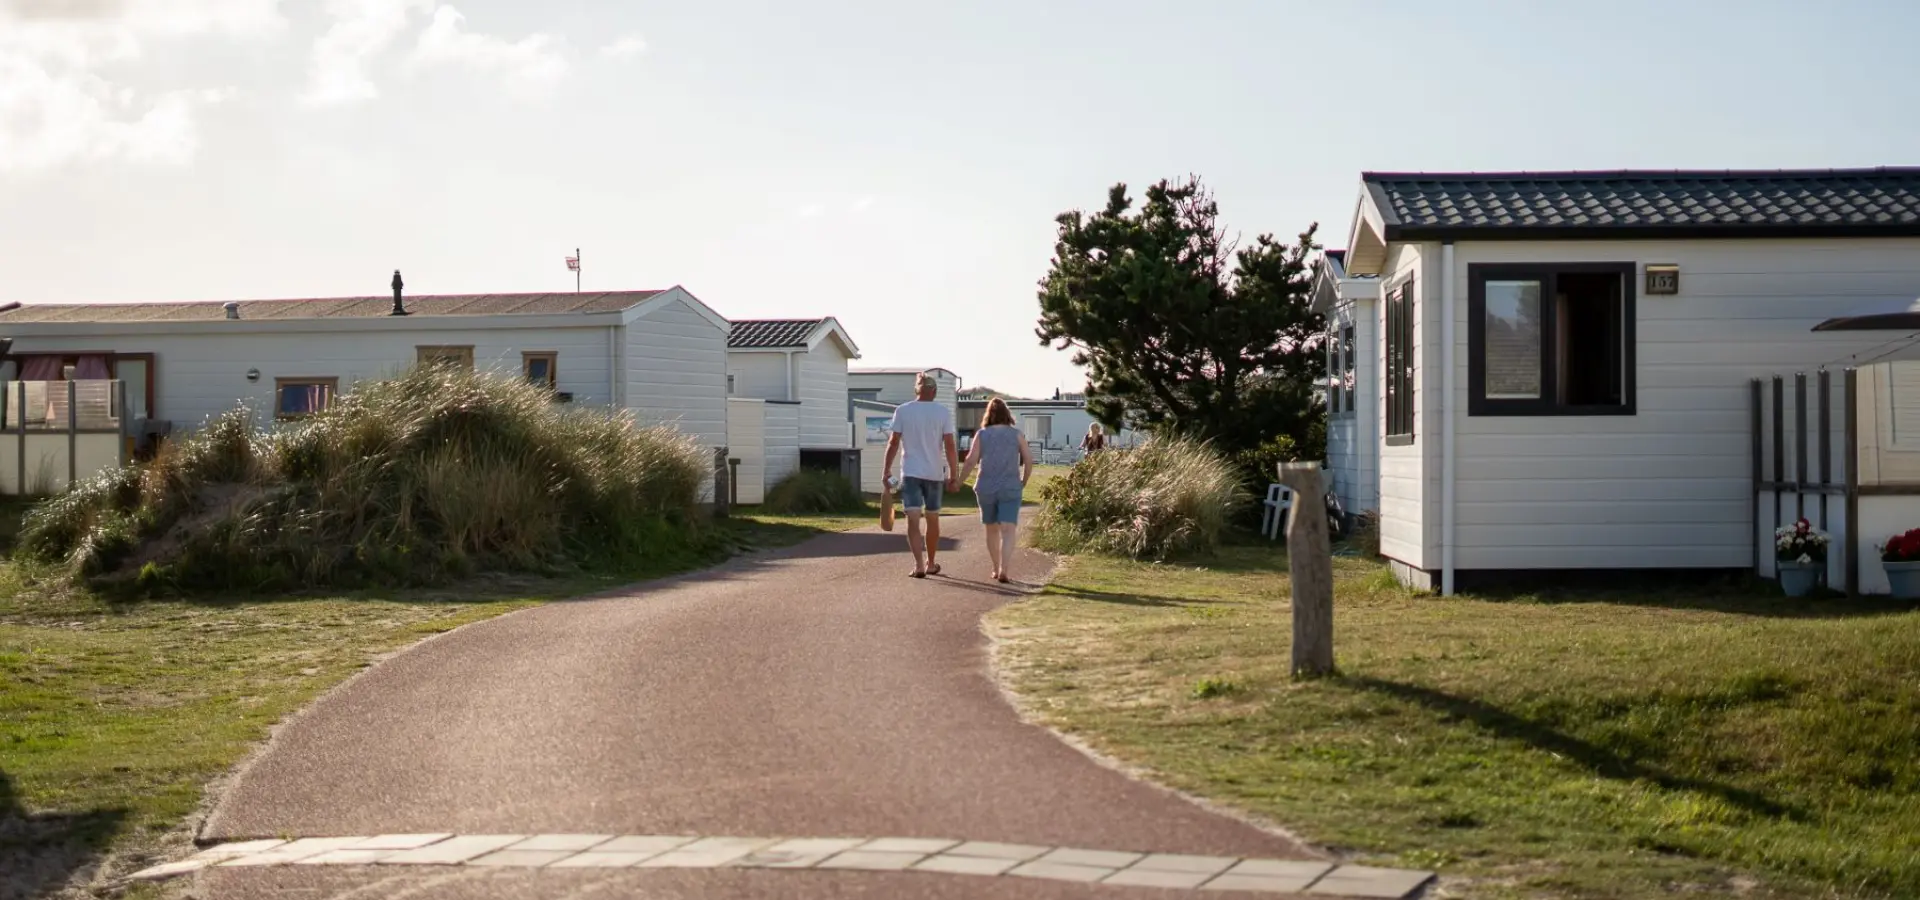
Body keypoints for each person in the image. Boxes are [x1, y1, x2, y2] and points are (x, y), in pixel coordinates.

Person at [883, 372, 960, 578]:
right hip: (934, 474)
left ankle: (918, 565)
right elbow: (950, 446)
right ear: (934, 391)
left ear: (917, 390)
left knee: (913, 520)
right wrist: (954, 475)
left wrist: (886, 470)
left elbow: (893, 442)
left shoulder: (903, 411)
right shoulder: (942, 412)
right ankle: (931, 563)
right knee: (933, 519)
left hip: (911, 473)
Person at [957, 397, 1035, 583]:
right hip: (1010, 487)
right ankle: (1004, 569)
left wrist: (959, 482)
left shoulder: (982, 434)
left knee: (991, 529)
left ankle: (994, 567)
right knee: (1008, 530)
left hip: (986, 488)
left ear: (988, 414)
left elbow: (970, 461)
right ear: (1007, 414)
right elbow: (1029, 460)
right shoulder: (1017, 434)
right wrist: (1023, 480)